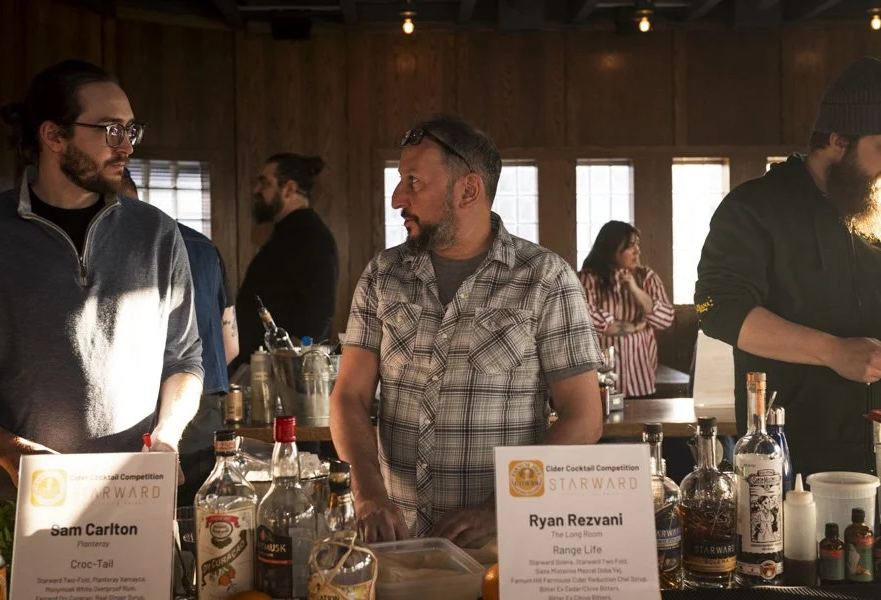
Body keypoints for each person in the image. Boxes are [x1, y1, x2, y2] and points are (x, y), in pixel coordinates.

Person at [330, 114, 604, 548]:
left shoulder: (545, 277)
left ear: (468, 190)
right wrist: (368, 495)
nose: (397, 198)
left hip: (502, 547)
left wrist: (504, 508)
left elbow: (584, 418)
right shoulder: (384, 274)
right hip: (397, 540)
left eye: (413, 182)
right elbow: (349, 396)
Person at [0, 60, 203, 505]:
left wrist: (168, 434)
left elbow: (185, 359)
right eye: (110, 130)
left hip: (136, 491)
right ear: (54, 136)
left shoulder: (156, 233)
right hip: (21, 500)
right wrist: (4, 448)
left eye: (131, 130)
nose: (127, 146)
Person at [695, 56, 881, 479]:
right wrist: (834, 351)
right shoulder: (755, 207)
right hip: (789, 454)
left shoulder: (873, 209)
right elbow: (717, 308)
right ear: (838, 140)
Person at [121, 171, 239, 505]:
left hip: (126, 428)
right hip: (199, 419)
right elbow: (231, 346)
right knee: (197, 527)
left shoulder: (113, 245)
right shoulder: (203, 247)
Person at [233, 153, 339, 372]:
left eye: (264, 183)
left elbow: (320, 310)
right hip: (266, 367)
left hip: (285, 373)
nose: (256, 190)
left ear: (289, 189)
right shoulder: (289, 232)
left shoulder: (310, 235)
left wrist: (294, 365)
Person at [578, 221, 675, 398]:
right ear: (612, 249)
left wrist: (635, 290)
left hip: (642, 383)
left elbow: (666, 319)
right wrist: (636, 327)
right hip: (603, 386)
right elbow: (592, 322)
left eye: (638, 244)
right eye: (631, 246)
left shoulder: (647, 277)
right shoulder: (588, 279)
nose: (637, 251)